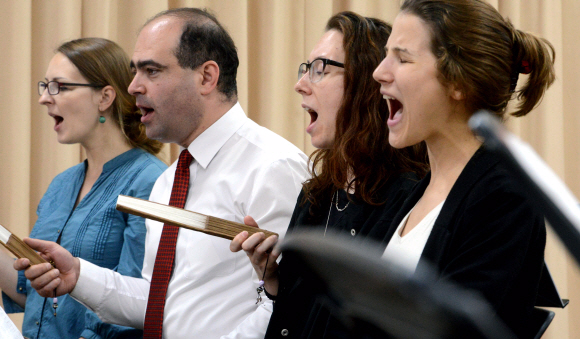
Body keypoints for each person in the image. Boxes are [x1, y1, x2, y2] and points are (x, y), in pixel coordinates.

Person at [14, 8, 309, 339]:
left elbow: (290, 304)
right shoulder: (169, 181)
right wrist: (78, 275)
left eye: (151, 71)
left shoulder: (273, 166)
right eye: (134, 71)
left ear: (207, 77)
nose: (133, 86)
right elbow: (156, 302)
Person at [230, 11, 428, 338]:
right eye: (306, 69)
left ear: (368, 83)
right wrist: (274, 280)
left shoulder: (411, 199)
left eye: (320, 68)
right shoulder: (317, 195)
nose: (300, 84)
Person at [372, 0, 554, 337]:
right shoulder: (412, 193)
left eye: (402, 58)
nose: (379, 72)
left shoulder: (505, 198)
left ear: (458, 82)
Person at [0, 38, 167, 339]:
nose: (44, 99)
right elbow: (37, 295)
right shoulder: (61, 184)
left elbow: (137, 303)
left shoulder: (151, 182)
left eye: (60, 87)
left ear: (104, 97)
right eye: (45, 86)